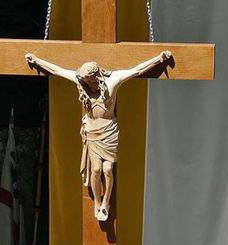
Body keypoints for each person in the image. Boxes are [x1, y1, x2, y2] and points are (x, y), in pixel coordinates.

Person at [26, 50, 173, 221]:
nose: (90, 85)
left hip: (108, 130)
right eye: (87, 82)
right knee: (96, 169)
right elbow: (58, 71)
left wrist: (159, 59)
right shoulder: (81, 82)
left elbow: (137, 70)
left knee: (108, 169)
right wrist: (36, 61)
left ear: (96, 76)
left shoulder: (113, 81)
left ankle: (106, 202)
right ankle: (97, 201)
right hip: (92, 131)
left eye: (91, 81)